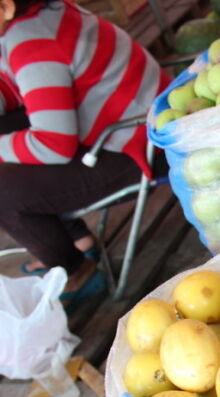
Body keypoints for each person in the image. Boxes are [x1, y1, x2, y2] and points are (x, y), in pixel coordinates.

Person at [0, 0, 169, 307]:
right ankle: (77, 239)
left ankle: (75, 272)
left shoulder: (31, 40)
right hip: (128, 128)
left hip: (142, 147)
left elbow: (53, 144)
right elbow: (16, 86)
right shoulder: (43, 14)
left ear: (6, 7)